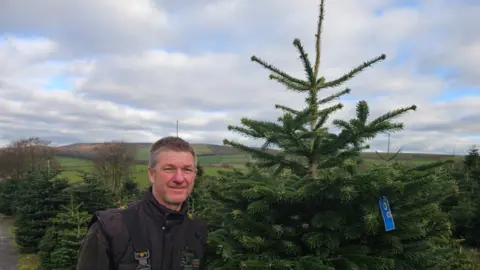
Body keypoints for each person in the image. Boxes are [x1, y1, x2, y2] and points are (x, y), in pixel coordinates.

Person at [76, 136, 208, 270]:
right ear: (151, 174)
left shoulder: (198, 230)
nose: (179, 178)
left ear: (194, 175)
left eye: (187, 169)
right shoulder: (111, 228)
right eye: (169, 169)